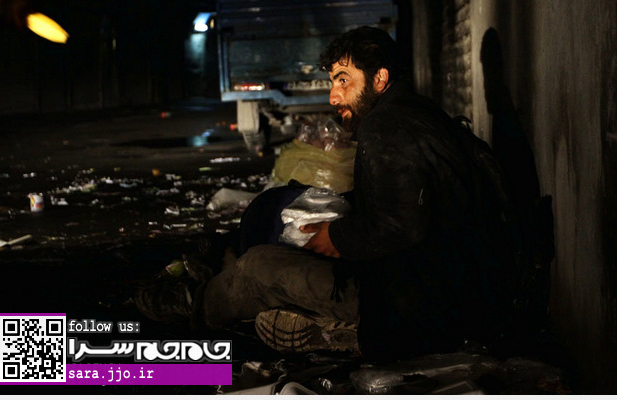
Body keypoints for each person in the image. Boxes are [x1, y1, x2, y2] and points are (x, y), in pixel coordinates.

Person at [137, 26, 549, 361]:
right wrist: (343, 211)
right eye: (333, 82)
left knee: (258, 268)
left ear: (380, 78)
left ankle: (192, 307)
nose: (333, 96)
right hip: (450, 289)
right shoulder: (419, 113)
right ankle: (223, 275)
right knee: (286, 250)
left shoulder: (385, 127)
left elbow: (400, 224)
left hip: (419, 308)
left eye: (344, 81)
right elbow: (408, 199)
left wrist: (336, 236)